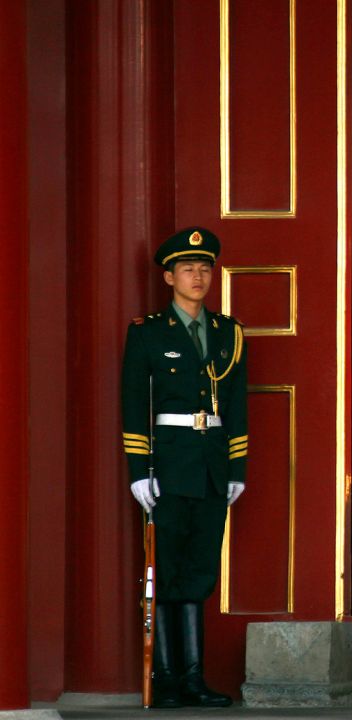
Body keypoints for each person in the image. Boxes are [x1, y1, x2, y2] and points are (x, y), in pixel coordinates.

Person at [121, 227, 248, 708]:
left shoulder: (227, 333)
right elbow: (134, 404)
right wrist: (139, 469)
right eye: (188, 269)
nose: (198, 276)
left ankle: (193, 678)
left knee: (198, 568)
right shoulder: (148, 332)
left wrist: (237, 466)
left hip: (212, 464)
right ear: (169, 276)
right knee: (168, 566)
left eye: (205, 268)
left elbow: (236, 405)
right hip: (168, 464)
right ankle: (169, 677)